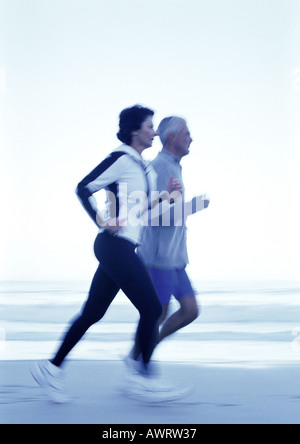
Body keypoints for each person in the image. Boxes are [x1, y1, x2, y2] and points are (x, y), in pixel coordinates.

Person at [31, 106, 184, 403]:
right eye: (150, 126)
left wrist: (168, 195)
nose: (155, 132)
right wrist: (101, 219)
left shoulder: (145, 168)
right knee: (152, 308)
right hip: (113, 245)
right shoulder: (121, 159)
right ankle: (142, 377)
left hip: (124, 247)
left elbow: (141, 209)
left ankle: (51, 368)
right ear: (134, 130)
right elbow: (83, 187)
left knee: (93, 312)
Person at [135, 116, 210, 358]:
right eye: (186, 134)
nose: (191, 138)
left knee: (189, 310)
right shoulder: (161, 167)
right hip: (158, 257)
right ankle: (140, 366)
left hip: (174, 257)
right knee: (157, 313)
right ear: (171, 138)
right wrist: (193, 206)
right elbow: (154, 214)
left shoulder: (174, 165)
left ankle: (143, 352)